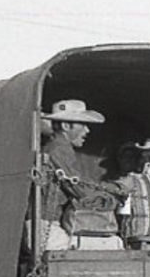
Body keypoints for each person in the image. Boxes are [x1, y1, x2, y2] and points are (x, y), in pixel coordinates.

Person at [40, 99, 106, 250]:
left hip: (47, 225)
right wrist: (108, 194)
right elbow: (80, 189)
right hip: (46, 227)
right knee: (112, 245)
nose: (87, 131)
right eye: (82, 125)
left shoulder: (54, 148)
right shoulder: (60, 149)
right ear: (66, 126)